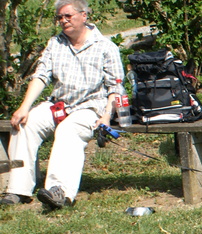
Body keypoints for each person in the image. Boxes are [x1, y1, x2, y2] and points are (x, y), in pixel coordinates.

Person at [1, 0, 124, 210]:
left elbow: (116, 87)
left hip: (90, 108)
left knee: (68, 130)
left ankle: (59, 192)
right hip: (59, 105)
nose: (63, 20)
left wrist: (106, 116)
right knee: (24, 123)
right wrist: (24, 107)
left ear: (84, 15)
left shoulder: (105, 46)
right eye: (59, 17)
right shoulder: (55, 43)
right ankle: (18, 189)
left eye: (68, 16)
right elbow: (41, 76)